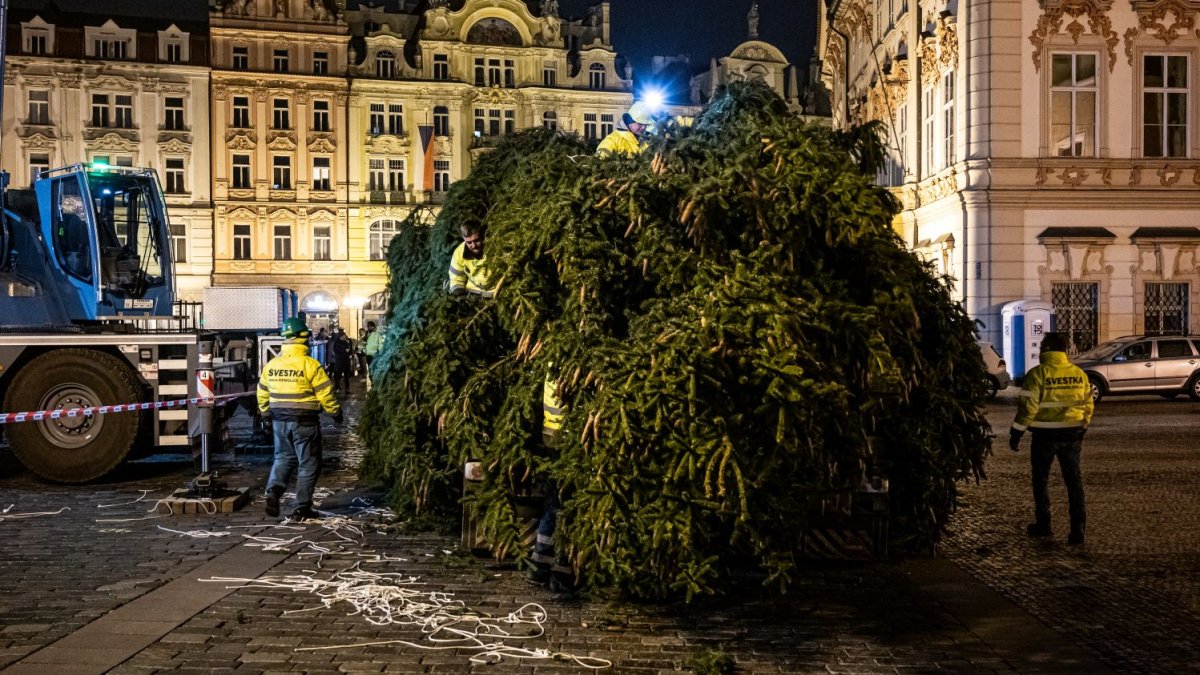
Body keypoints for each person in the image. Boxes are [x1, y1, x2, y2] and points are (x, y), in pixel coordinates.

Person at [1009, 332, 1094, 545]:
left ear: (1045, 349)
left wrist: (1016, 433)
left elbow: (1028, 409)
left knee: (1041, 480)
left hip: (1044, 437)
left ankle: (1044, 524)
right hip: (1072, 435)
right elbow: (1088, 405)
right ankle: (1078, 530)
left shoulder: (1037, 374)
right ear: (1064, 350)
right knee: (1074, 482)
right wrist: (1083, 426)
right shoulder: (1079, 374)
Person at [258, 317, 343, 520]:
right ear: (302, 338)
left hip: (279, 420)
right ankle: (302, 507)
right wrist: (335, 413)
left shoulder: (272, 365)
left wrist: (265, 415)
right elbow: (325, 394)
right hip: (305, 421)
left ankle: (273, 490)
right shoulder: (310, 365)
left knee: (283, 458)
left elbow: (262, 393)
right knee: (308, 463)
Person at [529, 368, 576, 593]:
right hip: (568, 436)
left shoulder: (551, 361)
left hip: (552, 435)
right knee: (566, 502)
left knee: (554, 501)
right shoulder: (571, 359)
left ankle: (540, 564)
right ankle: (561, 568)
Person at [448, 221, 494, 297]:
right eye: (469, 242)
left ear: (483, 236)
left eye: (476, 240)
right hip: (472, 293)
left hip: (496, 293)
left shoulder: (495, 247)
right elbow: (456, 279)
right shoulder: (459, 253)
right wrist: (459, 293)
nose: (473, 245)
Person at [328, 327, 353, 392]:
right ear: (341, 336)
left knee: (346, 376)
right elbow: (336, 350)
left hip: (346, 361)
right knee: (338, 375)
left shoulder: (346, 342)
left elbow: (349, 350)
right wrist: (344, 350)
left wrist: (348, 350)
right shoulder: (337, 343)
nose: (345, 337)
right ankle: (337, 387)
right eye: (344, 336)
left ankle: (347, 388)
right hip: (339, 361)